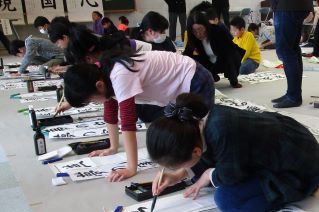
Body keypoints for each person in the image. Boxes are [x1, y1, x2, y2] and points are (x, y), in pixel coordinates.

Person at [147, 93, 319, 212]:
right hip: (278, 143)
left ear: (195, 151)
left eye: (178, 165)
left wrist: (210, 174)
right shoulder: (197, 123)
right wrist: (177, 175)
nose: (178, 169)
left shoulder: (223, 131)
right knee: (200, 178)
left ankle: (303, 187)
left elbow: (230, 174)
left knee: (227, 199)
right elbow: (208, 156)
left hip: (299, 163)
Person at [61, 50, 215, 182]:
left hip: (194, 78)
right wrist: (112, 147)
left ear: (99, 86)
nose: (95, 103)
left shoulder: (119, 75)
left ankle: (209, 173)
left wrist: (131, 168)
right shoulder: (103, 77)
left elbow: (128, 123)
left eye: (92, 100)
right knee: (186, 131)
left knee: (200, 131)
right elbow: (110, 113)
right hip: (177, 86)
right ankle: (197, 170)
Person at [271, 0, 314, 108]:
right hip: (300, 6)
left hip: (286, 6)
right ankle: (293, 93)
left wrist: (275, 7)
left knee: (286, 51)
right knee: (293, 49)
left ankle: (293, 96)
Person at [184, 11, 244, 88]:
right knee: (190, 60)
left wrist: (210, 73)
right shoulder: (193, 36)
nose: (198, 34)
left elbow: (226, 54)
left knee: (233, 55)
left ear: (206, 26)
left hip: (224, 59)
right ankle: (213, 76)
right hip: (209, 60)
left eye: (200, 29)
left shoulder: (218, 31)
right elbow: (187, 54)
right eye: (194, 31)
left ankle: (232, 79)